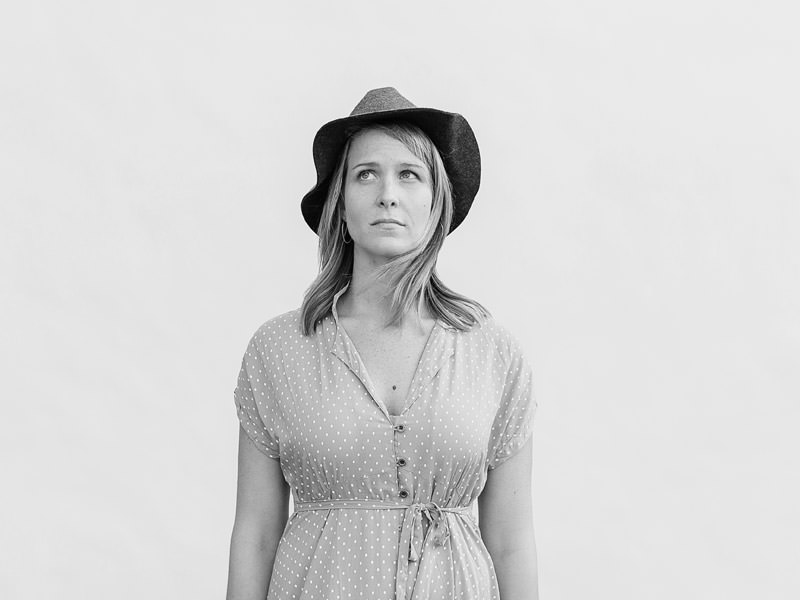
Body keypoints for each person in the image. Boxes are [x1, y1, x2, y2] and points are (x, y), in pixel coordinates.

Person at [226, 87, 539, 600]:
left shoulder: (493, 354)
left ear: (436, 202)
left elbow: (511, 543)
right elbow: (256, 535)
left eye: (409, 174)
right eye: (366, 174)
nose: (387, 194)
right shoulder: (279, 349)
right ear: (340, 203)